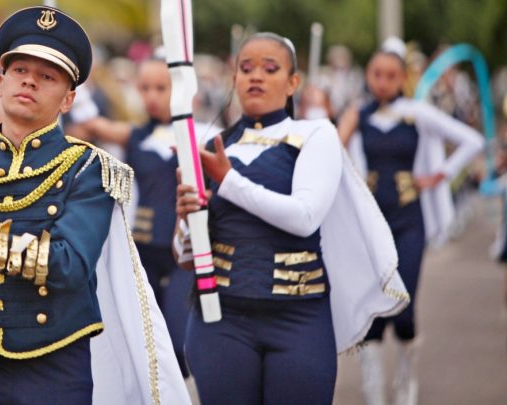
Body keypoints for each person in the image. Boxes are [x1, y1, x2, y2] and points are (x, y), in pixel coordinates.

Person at [0, 7, 189, 405]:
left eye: (47, 76)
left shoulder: (89, 169)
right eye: (19, 70)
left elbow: (69, 265)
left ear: (68, 99)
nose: (29, 80)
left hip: (54, 371)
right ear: (0, 82)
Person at [175, 32, 408, 405]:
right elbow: (185, 256)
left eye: (270, 68)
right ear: (234, 79)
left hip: (297, 317)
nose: (256, 76)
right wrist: (188, 218)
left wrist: (228, 180)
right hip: (219, 317)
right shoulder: (212, 146)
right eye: (246, 68)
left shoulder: (315, 134)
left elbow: (305, 217)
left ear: (292, 82)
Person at [337, 37, 484, 405]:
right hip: (372, 223)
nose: (382, 81)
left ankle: (407, 375)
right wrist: (348, 120)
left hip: (409, 220)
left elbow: (471, 140)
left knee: (404, 306)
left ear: (402, 77)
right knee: (372, 306)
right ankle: (373, 388)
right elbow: (332, 153)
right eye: (376, 74)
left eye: (390, 75)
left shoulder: (418, 112)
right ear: (368, 75)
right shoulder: (360, 114)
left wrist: (440, 174)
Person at [73, 55, 219, 376]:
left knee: (181, 342)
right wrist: (75, 75)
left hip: (184, 251)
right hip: (141, 250)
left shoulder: (203, 137)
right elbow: (90, 120)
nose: (152, 96)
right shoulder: (135, 135)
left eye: (161, 88)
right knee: (141, 338)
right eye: (145, 88)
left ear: (183, 90)